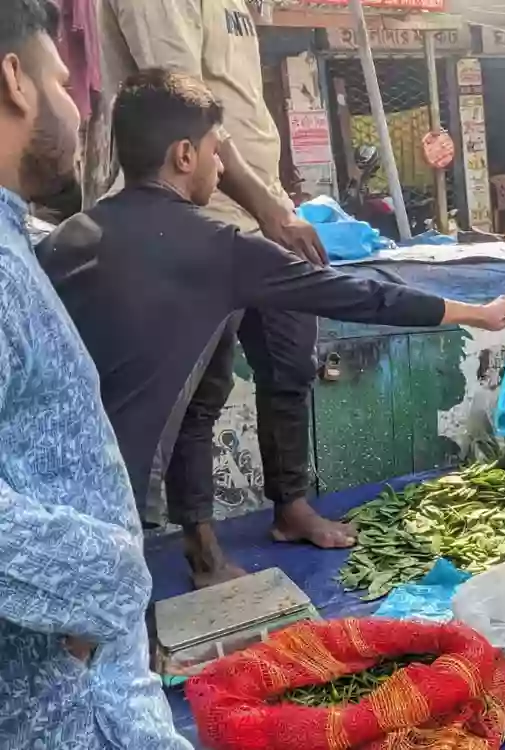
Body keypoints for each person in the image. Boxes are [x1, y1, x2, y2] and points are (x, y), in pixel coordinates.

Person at [38, 68, 505, 564]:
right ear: (184, 156)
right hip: (120, 502)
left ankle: (209, 552)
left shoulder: (65, 238)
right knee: (107, 625)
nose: (218, 167)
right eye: (215, 154)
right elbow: (360, 296)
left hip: (48, 478)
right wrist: (476, 313)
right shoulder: (220, 247)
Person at [84, 0, 343, 587]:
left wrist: (277, 199)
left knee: (290, 364)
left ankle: (291, 506)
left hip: (260, 210)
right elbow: (186, 112)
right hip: (195, 217)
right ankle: (201, 546)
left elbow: (238, 106)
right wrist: (267, 207)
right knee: (200, 391)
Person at [0, 2, 188, 746]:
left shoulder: (21, 241)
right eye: (62, 81)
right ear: (14, 80)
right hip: (65, 706)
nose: (80, 114)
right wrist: (103, 582)